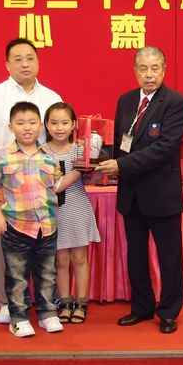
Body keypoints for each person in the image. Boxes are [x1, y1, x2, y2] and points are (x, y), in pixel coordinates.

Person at [0, 39, 62, 324]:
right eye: (17, 59)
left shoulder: (51, 97)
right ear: (7, 64)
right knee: (5, 248)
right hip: (6, 185)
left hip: (42, 188)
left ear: (38, 62)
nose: (24, 64)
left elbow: (61, 135)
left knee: (45, 247)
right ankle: (7, 302)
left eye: (30, 58)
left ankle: (46, 303)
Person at [97, 46, 183, 334]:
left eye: (155, 68)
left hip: (161, 194)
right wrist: (97, 157)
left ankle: (169, 311)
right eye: (143, 69)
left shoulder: (176, 102)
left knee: (169, 257)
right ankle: (142, 306)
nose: (149, 74)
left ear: (163, 70)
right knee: (136, 255)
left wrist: (121, 165)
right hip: (131, 193)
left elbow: (165, 148)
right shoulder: (125, 101)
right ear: (135, 71)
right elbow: (120, 141)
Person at [0, 101, 81, 337]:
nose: (27, 128)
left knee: (47, 274)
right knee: (17, 276)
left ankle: (47, 314)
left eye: (32, 123)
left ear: (40, 126)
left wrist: (80, 171)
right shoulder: (0, 157)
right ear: (11, 127)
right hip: (16, 227)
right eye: (20, 123)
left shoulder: (49, 157)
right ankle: (18, 318)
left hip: (47, 226)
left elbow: (56, 185)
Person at [43, 102, 102, 324]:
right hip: (52, 212)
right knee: (60, 260)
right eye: (54, 123)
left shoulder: (81, 149)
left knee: (79, 257)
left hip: (77, 208)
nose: (59, 128)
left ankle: (82, 302)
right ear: (46, 125)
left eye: (64, 123)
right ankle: (65, 302)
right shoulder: (40, 151)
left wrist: (96, 167)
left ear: (74, 125)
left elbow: (92, 180)